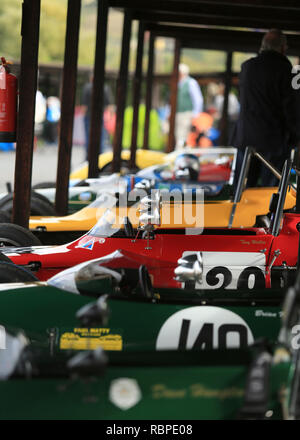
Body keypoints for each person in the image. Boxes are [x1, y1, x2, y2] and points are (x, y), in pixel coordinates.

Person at [232, 29, 300, 187]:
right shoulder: (286, 71)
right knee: (271, 192)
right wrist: (295, 137)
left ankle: (239, 212)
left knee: (242, 189)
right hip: (273, 142)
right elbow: (291, 109)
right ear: (283, 48)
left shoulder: (246, 68)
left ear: (262, 46)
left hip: (245, 138)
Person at [81, 73, 113, 160]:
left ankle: (88, 158)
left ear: (91, 78)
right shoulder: (105, 88)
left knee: (88, 137)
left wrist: (83, 115)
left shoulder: (87, 87)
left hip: (88, 116)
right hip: (100, 117)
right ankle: (100, 157)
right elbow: (109, 105)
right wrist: (110, 117)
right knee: (101, 137)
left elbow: (84, 106)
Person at [175, 63, 204, 150]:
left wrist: (195, 115)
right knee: (178, 136)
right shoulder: (177, 83)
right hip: (177, 114)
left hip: (187, 114)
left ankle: (179, 156)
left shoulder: (191, 82)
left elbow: (198, 99)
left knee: (182, 136)